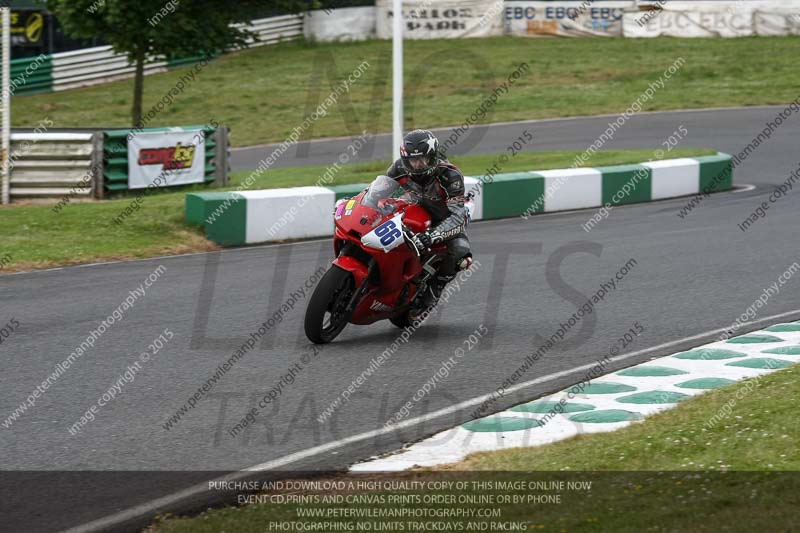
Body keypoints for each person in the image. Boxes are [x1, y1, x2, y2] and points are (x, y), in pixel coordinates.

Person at [386, 129, 473, 312]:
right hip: (412, 212)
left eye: (422, 160)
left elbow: (458, 217)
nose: (417, 165)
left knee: (461, 253)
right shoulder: (399, 168)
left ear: (432, 157)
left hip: (442, 220)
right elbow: (378, 189)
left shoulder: (450, 176)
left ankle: (436, 287)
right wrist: (361, 200)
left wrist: (432, 236)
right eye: (412, 160)